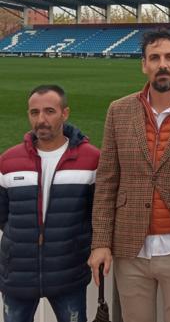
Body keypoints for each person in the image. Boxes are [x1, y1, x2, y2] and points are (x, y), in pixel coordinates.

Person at [88, 29, 170, 322]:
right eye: (155, 57)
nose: (163, 64)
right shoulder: (119, 111)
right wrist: (100, 242)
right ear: (144, 65)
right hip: (130, 248)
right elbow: (107, 180)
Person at [0, 85, 99, 322]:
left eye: (49, 111)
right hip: (18, 276)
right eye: (34, 113)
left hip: (68, 274)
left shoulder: (92, 159)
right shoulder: (8, 161)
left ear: (65, 113)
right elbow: (3, 215)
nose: (41, 120)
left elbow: (97, 215)